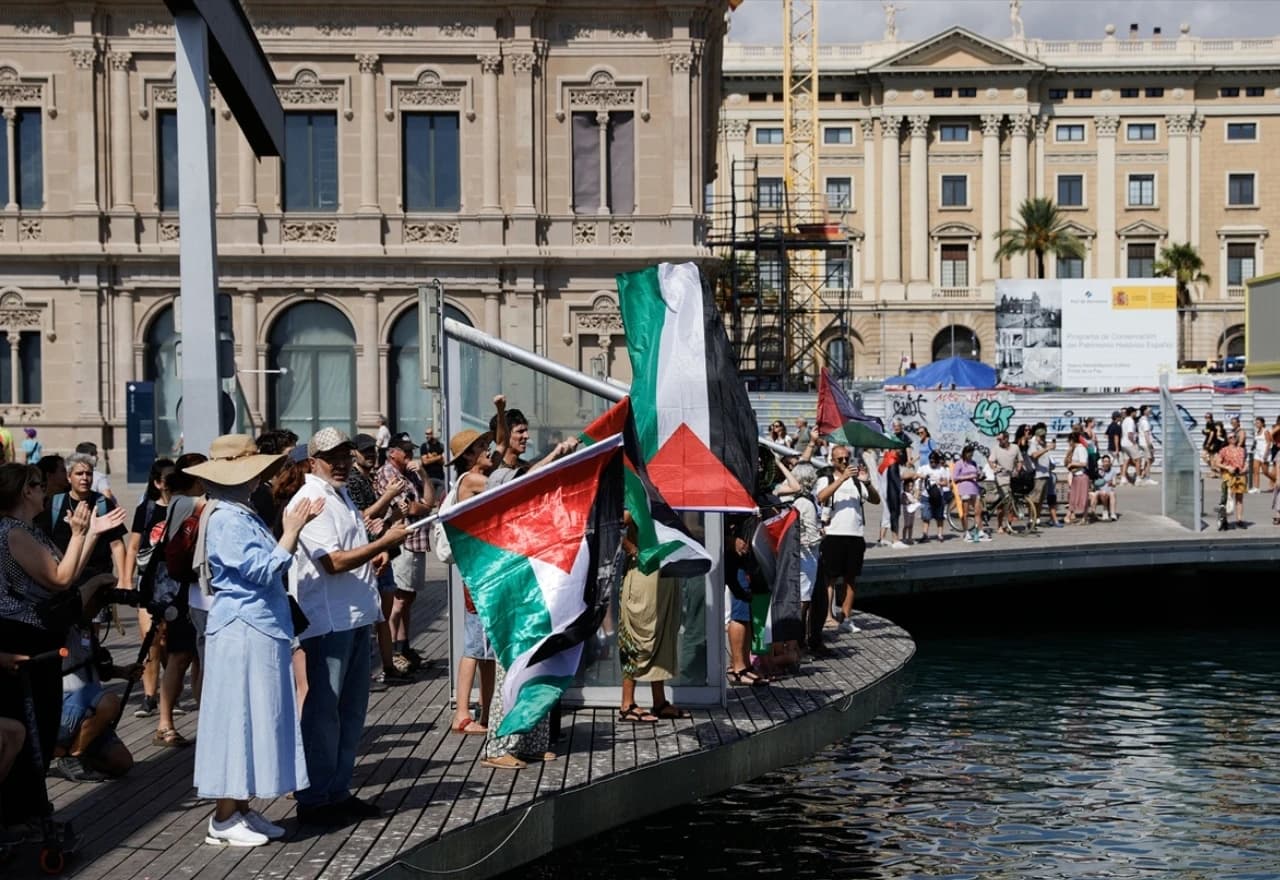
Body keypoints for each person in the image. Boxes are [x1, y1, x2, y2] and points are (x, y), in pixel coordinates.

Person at [186, 434, 322, 847]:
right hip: (243, 629)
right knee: (238, 718)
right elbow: (263, 570)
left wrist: (292, 530)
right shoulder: (227, 517)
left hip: (254, 627)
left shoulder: (236, 512)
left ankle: (239, 808)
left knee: (252, 717)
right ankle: (224, 816)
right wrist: (292, 531)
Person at [287, 427, 409, 824]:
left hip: (353, 616)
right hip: (328, 622)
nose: (340, 463)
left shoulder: (339, 495)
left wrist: (375, 554)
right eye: (331, 457)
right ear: (313, 462)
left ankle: (336, 791)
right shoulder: (311, 498)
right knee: (325, 713)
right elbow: (333, 562)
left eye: (345, 455)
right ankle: (314, 798)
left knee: (351, 712)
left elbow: (347, 554)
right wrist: (383, 544)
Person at [0, 462, 126, 828]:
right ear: (25, 491)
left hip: (40, 636)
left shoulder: (28, 530)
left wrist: (90, 535)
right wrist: (80, 534)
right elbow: (60, 578)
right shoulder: (13, 532)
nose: (45, 490)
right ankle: (20, 814)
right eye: (39, 484)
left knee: (41, 723)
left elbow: (66, 574)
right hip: (21, 636)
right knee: (32, 727)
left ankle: (28, 810)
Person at [52, 595, 140, 782]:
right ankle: (73, 755)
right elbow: (62, 610)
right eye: (97, 601)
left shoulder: (87, 630)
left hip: (86, 711)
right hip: (62, 709)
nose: (99, 608)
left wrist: (123, 672)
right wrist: (93, 586)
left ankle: (71, 753)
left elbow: (100, 669)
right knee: (110, 702)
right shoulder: (60, 625)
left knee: (122, 762)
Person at [447, 427, 498, 737]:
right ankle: (462, 713)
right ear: (468, 456)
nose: (488, 450)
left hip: (483, 570)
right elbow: (509, 482)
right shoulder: (470, 480)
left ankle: (486, 711)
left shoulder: (473, 479)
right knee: (475, 647)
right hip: (478, 573)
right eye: (482, 446)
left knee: (486, 652)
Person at [347, 434, 409, 688]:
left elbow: (374, 518)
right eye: (365, 451)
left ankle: (387, 665)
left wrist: (393, 514)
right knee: (371, 615)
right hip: (368, 554)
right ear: (355, 454)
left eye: (372, 450)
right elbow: (361, 517)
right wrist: (388, 497)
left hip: (380, 549)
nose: (371, 455)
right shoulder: (353, 480)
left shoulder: (367, 478)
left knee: (382, 614)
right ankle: (370, 670)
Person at [120, 457, 175, 718]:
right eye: (168, 478)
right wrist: (126, 580)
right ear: (157, 483)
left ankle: (170, 693)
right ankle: (150, 696)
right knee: (149, 639)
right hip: (150, 580)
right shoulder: (147, 509)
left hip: (175, 581)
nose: (172, 482)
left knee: (168, 640)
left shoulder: (186, 507)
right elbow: (133, 546)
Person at [376, 436, 434, 674]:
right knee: (397, 600)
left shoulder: (410, 474)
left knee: (408, 598)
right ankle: (393, 652)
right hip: (401, 541)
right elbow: (410, 508)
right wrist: (424, 507)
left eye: (411, 450)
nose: (410, 455)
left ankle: (403, 646)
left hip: (416, 540)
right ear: (392, 453)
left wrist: (424, 475)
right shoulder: (387, 473)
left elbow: (429, 500)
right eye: (405, 450)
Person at [813, 445, 879, 653]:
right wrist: (841, 479)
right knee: (830, 578)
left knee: (851, 579)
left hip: (855, 534)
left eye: (846, 458)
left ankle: (846, 617)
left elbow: (876, 500)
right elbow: (820, 497)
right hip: (833, 534)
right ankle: (827, 616)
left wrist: (867, 482)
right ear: (833, 461)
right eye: (840, 459)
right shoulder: (826, 479)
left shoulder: (857, 481)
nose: (844, 462)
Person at [40, 452, 128, 590]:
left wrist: (123, 581)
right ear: (69, 477)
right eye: (79, 474)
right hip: (66, 578)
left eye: (89, 474)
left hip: (99, 578)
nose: (85, 478)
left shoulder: (103, 504)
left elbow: (117, 544)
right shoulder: (55, 503)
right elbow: (43, 542)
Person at [988, 431, 1022, 535]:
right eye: (998, 439)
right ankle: (999, 525)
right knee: (1002, 503)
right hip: (1000, 479)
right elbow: (991, 461)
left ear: (1006, 438)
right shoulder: (996, 449)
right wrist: (995, 468)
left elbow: (1020, 460)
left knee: (1011, 503)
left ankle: (1009, 525)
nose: (999, 441)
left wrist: (1018, 470)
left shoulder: (1015, 448)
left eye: (1000, 439)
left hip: (1012, 478)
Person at [952, 445, 986, 543]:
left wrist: (980, 475)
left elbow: (977, 473)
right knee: (965, 512)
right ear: (965, 453)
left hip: (974, 489)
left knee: (978, 511)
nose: (970, 455)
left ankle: (980, 531)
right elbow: (955, 478)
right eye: (969, 453)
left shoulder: (973, 463)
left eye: (972, 453)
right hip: (964, 489)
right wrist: (968, 477)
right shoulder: (959, 463)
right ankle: (966, 532)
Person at [1214, 431, 1247, 530]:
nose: (1233, 439)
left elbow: (1245, 462)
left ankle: (1239, 520)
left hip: (1240, 475)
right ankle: (1225, 520)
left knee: (1239, 498)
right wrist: (1227, 467)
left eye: (1234, 437)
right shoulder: (1224, 450)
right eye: (1230, 437)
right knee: (1228, 498)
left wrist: (1245, 468)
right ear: (1227, 439)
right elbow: (1217, 463)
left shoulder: (1242, 450)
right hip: (1228, 475)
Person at [916, 451, 951, 542]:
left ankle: (940, 534)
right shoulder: (924, 468)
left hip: (938, 495)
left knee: (939, 516)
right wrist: (924, 477)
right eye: (931, 462)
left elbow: (946, 482)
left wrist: (939, 483)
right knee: (926, 516)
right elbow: (917, 475)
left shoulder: (941, 469)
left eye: (935, 462)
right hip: (926, 495)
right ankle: (925, 534)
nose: (933, 463)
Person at [1065, 429, 1091, 524]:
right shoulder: (1075, 449)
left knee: (1083, 497)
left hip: (1081, 475)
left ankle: (1084, 517)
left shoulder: (1081, 449)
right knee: (1073, 497)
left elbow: (1084, 463)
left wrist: (1072, 464)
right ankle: (1069, 515)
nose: (1069, 443)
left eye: (1069, 441)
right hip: (1076, 476)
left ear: (1072, 440)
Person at [1090, 455, 1119, 521]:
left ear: (1110, 463)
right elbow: (1094, 483)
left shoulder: (1113, 471)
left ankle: (1113, 514)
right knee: (1103, 493)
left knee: (1112, 493)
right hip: (1099, 491)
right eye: (1105, 461)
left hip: (1109, 491)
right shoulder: (1098, 471)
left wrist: (1112, 483)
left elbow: (1114, 484)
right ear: (1102, 462)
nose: (1106, 463)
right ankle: (1105, 510)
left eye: (1108, 461)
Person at [1250, 417, 1271, 494]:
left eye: (1258, 423)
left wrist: (1266, 454)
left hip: (1264, 453)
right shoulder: (1256, 432)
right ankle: (1256, 488)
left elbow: (1269, 443)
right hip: (1257, 453)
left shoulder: (1266, 431)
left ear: (1262, 423)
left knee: (1265, 472)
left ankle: (1276, 480)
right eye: (1256, 423)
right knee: (1255, 470)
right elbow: (1256, 442)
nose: (1256, 424)